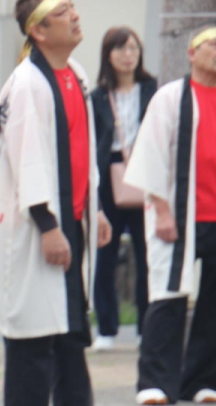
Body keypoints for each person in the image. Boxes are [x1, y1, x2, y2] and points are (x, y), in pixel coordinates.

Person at [0, 0, 111, 406]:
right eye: (62, 11)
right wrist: (47, 224)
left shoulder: (74, 74)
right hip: (39, 228)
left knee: (71, 332)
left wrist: (92, 208)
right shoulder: (27, 83)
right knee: (34, 337)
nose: (75, 15)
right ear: (38, 30)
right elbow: (28, 160)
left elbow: (83, 152)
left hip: (72, 219)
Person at [124, 24, 216, 406]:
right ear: (192, 54)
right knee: (168, 294)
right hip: (179, 213)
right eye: (212, 44)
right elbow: (151, 154)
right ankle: (155, 380)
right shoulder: (171, 97)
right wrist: (162, 209)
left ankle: (202, 379)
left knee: (215, 300)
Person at [89, 27, 157, 351]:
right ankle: (107, 328)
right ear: (108, 55)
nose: (127, 55)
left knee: (148, 256)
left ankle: (147, 327)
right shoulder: (98, 96)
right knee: (105, 254)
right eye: (120, 49)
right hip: (108, 174)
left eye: (132, 48)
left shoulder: (153, 90)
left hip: (145, 175)